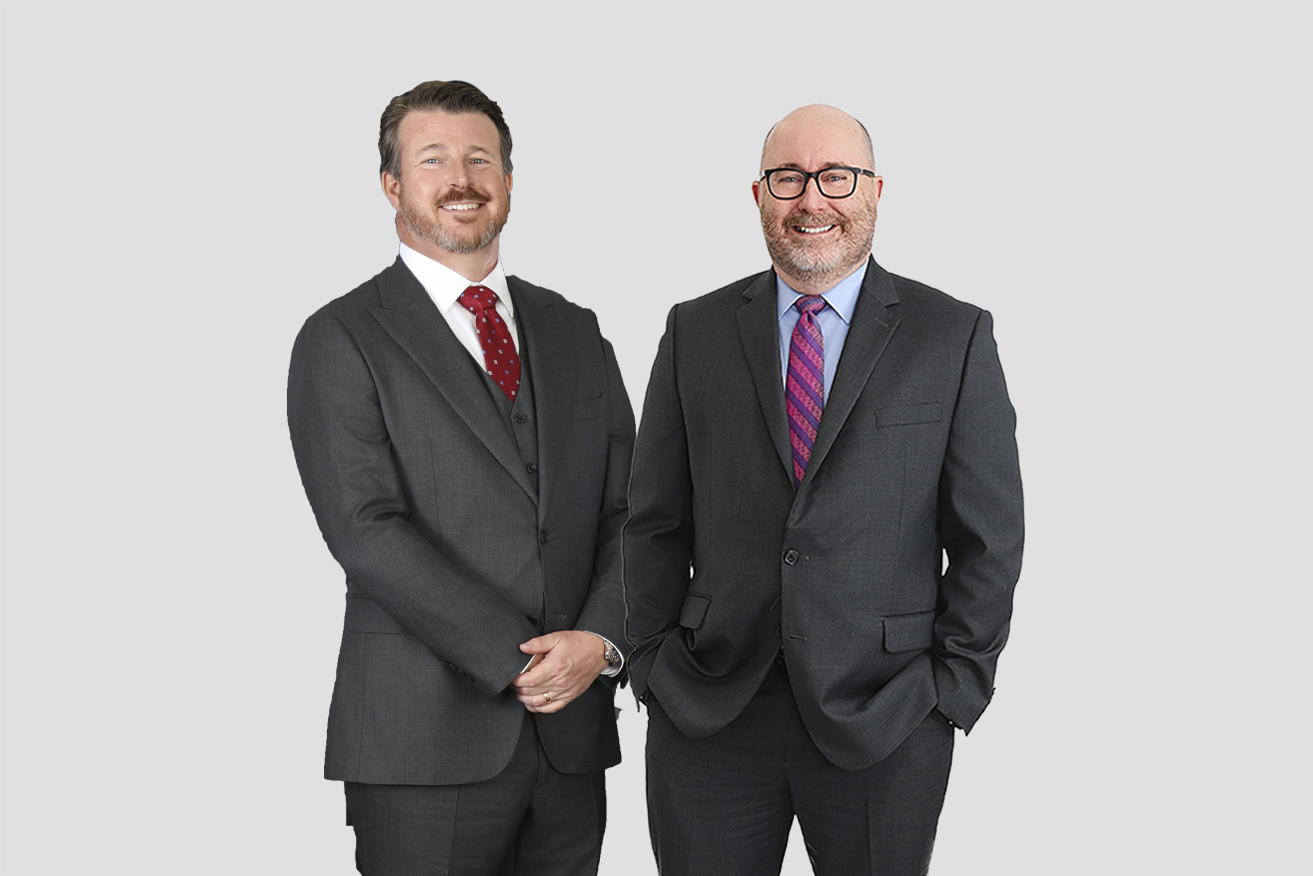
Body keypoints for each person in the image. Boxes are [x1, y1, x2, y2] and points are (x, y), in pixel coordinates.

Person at [623, 104, 1024, 876]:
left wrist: (953, 684)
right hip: (708, 708)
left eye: (836, 177)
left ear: (874, 190)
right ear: (758, 194)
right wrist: (650, 663)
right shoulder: (693, 330)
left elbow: (990, 535)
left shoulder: (952, 335)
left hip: (887, 713)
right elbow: (652, 520)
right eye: (788, 178)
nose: (812, 199)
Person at [287, 80, 633, 876]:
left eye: (480, 159)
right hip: (422, 742)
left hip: (571, 740)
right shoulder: (342, 336)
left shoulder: (574, 329)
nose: (460, 179)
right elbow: (365, 529)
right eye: (433, 159)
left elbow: (632, 510)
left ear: (507, 180)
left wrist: (599, 641)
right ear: (391, 185)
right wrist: (518, 659)